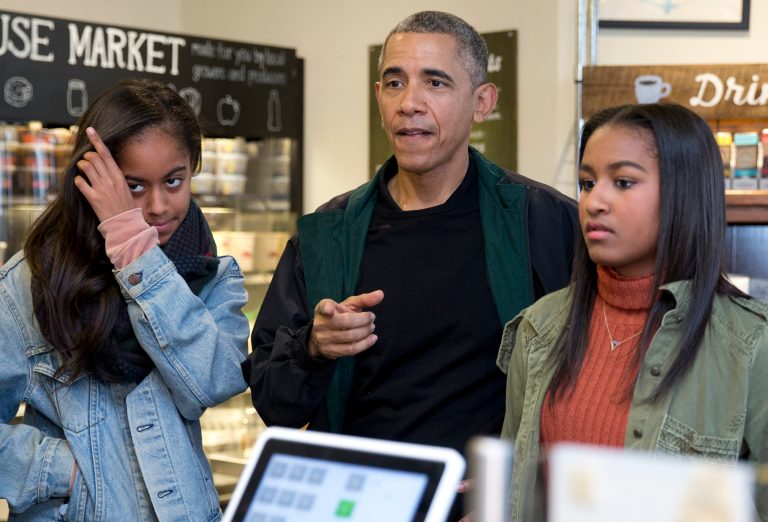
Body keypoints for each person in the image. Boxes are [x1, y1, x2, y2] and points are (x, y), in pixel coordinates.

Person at [245, 7, 576, 495]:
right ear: (378, 96)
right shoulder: (325, 236)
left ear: (482, 101)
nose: (409, 103)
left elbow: (592, 379)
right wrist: (314, 348)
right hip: (360, 500)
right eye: (394, 83)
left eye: (436, 83)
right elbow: (274, 401)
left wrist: (516, 481)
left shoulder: (545, 223)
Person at [499, 103, 768, 521]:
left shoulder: (750, 346)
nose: (594, 202)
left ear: (683, 193)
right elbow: (517, 494)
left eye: (623, 182)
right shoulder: (540, 328)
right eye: (587, 182)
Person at [0, 79, 250, 520]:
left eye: (174, 181)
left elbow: (211, 383)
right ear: (92, 178)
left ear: (193, 168)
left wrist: (133, 248)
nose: (157, 206)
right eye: (134, 187)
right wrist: (66, 471)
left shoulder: (213, 273)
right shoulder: (29, 282)